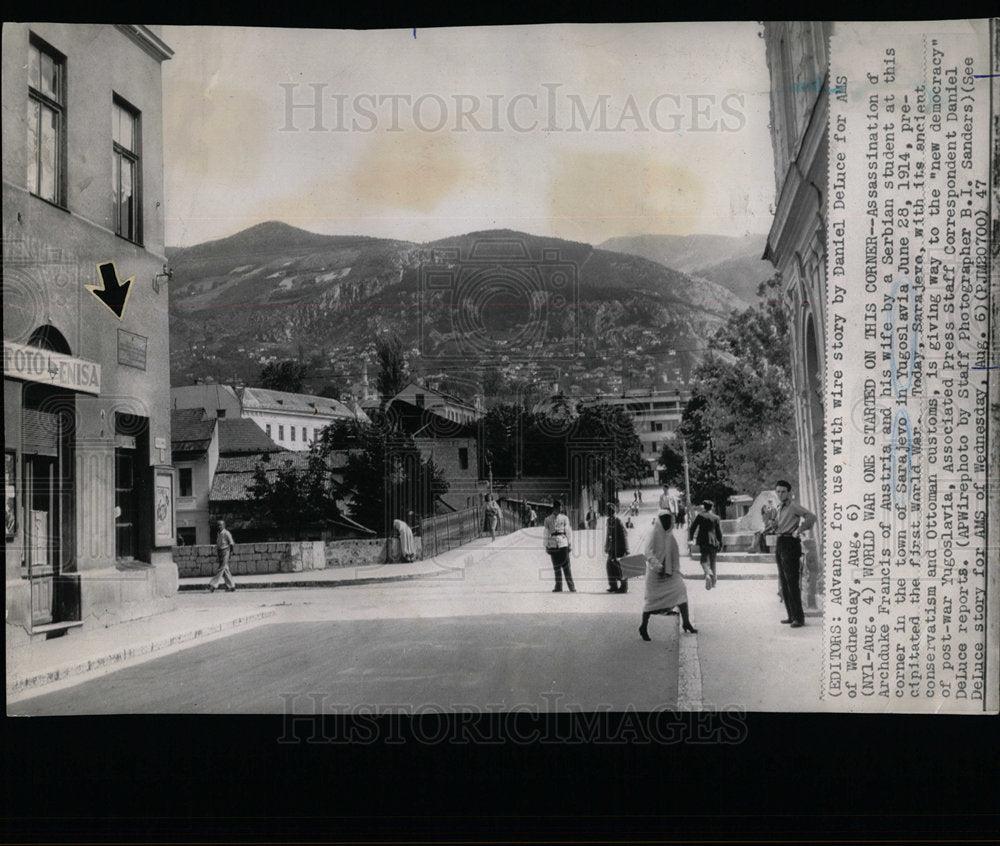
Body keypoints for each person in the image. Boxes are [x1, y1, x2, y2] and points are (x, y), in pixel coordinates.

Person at [767, 480, 817, 628]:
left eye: (783, 491)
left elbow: (811, 517)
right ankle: (791, 616)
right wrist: (773, 524)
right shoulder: (779, 507)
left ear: (789, 492)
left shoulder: (793, 506)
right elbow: (778, 525)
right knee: (784, 581)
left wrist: (799, 530)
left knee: (792, 582)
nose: (780, 494)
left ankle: (799, 618)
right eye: (778, 491)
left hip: (790, 543)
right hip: (780, 542)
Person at [639, 512, 697, 640]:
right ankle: (643, 626)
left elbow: (675, 555)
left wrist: (675, 570)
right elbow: (648, 552)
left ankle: (686, 622)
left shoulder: (670, 536)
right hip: (655, 575)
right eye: (667, 521)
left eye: (670, 521)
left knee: (681, 590)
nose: (669, 524)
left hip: (670, 573)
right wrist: (658, 565)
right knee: (651, 602)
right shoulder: (653, 533)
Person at [688, 500, 723, 590]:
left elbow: (692, 528)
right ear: (712, 508)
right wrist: (721, 543)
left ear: (704, 507)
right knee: (713, 561)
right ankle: (714, 582)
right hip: (713, 541)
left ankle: (707, 573)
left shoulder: (700, 516)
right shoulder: (716, 517)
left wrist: (691, 539)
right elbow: (719, 533)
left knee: (703, 559)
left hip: (703, 541)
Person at [543, 499, 575, 592]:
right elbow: (546, 533)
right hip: (553, 544)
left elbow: (568, 531)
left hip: (563, 543)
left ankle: (571, 587)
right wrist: (546, 545)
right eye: (558, 507)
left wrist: (569, 544)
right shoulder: (548, 519)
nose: (560, 509)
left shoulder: (565, 518)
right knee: (556, 567)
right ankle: (558, 586)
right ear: (554, 508)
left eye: (560, 507)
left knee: (566, 566)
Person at [604, 502, 630, 593]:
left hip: (620, 547)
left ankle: (624, 587)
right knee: (609, 566)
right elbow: (608, 534)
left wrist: (626, 549)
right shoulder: (609, 521)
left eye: (611, 511)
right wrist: (607, 546)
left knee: (620, 567)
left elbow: (624, 534)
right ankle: (613, 585)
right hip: (612, 547)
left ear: (614, 511)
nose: (609, 513)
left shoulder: (618, 520)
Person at [209, 519, 236, 593]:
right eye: (218, 525)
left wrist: (231, 552)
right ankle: (231, 586)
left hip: (225, 551)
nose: (219, 526)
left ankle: (213, 585)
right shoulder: (218, 534)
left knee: (221, 568)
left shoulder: (226, 533)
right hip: (220, 552)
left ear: (224, 525)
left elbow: (231, 543)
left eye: (220, 525)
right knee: (225, 569)